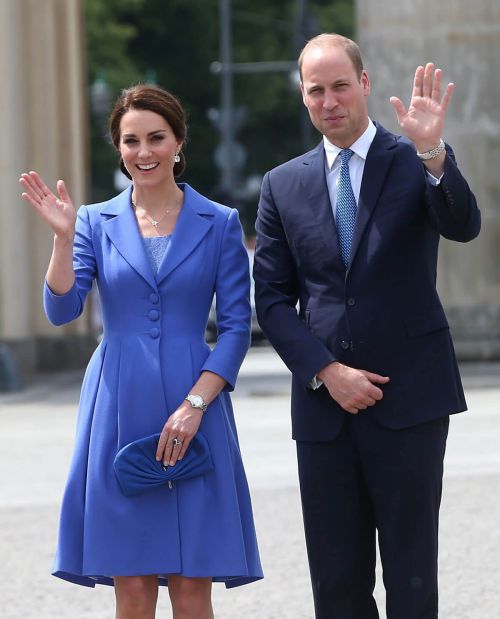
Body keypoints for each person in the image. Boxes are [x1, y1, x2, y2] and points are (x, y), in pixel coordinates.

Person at [253, 33, 480, 619]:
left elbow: (464, 225)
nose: (330, 101)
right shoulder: (282, 184)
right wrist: (326, 372)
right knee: (337, 587)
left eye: (340, 86)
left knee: (410, 581)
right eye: (315, 91)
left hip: (411, 400)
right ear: (303, 99)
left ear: (365, 85)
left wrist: (434, 153)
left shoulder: (413, 158)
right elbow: (273, 300)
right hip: (326, 412)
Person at [20, 84, 262, 619]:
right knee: (130, 586)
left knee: (192, 583)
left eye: (156, 138)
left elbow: (237, 330)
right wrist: (62, 242)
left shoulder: (219, 222)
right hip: (116, 405)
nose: (143, 152)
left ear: (179, 143)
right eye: (131, 141)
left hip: (196, 402)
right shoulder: (91, 221)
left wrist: (196, 405)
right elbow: (62, 311)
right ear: (119, 148)